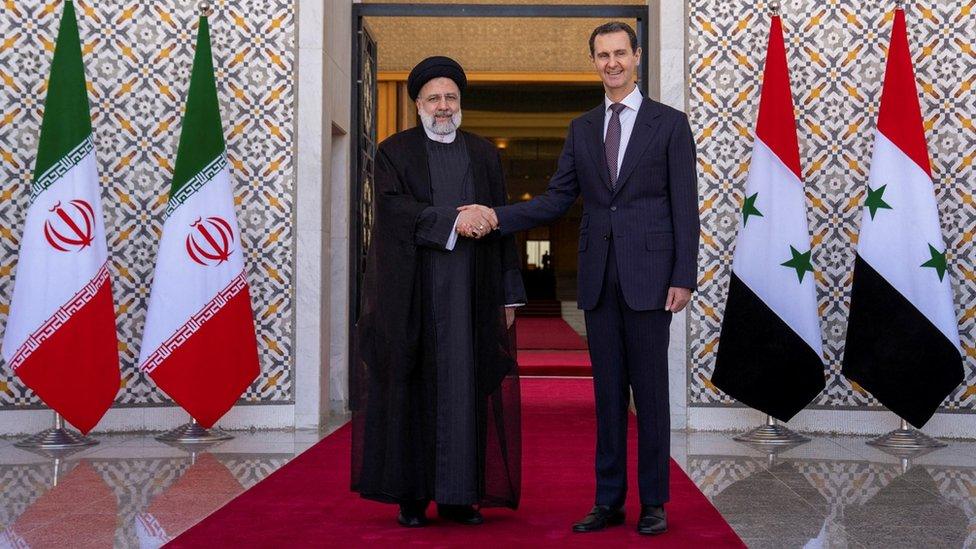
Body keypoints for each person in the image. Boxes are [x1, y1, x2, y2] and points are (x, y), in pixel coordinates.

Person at [460, 22, 699, 535]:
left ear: (636, 56)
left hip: (652, 279)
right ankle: (608, 501)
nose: (611, 62)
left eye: (619, 53)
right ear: (592, 61)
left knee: (651, 394)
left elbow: (686, 206)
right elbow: (555, 199)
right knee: (607, 396)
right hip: (597, 281)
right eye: (601, 55)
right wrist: (496, 215)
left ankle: (654, 502)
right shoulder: (583, 128)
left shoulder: (670, 124)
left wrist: (684, 276)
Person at [351, 56, 526, 528]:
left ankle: (459, 496)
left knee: (467, 389)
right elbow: (392, 211)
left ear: (460, 103)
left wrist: (510, 295)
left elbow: (503, 223)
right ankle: (413, 496)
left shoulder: (485, 154)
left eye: (450, 98)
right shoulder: (394, 152)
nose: (443, 106)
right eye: (434, 99)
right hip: (415, 298)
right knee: (415, 389)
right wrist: (453, 219)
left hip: (473, 295)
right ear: (417, 105)